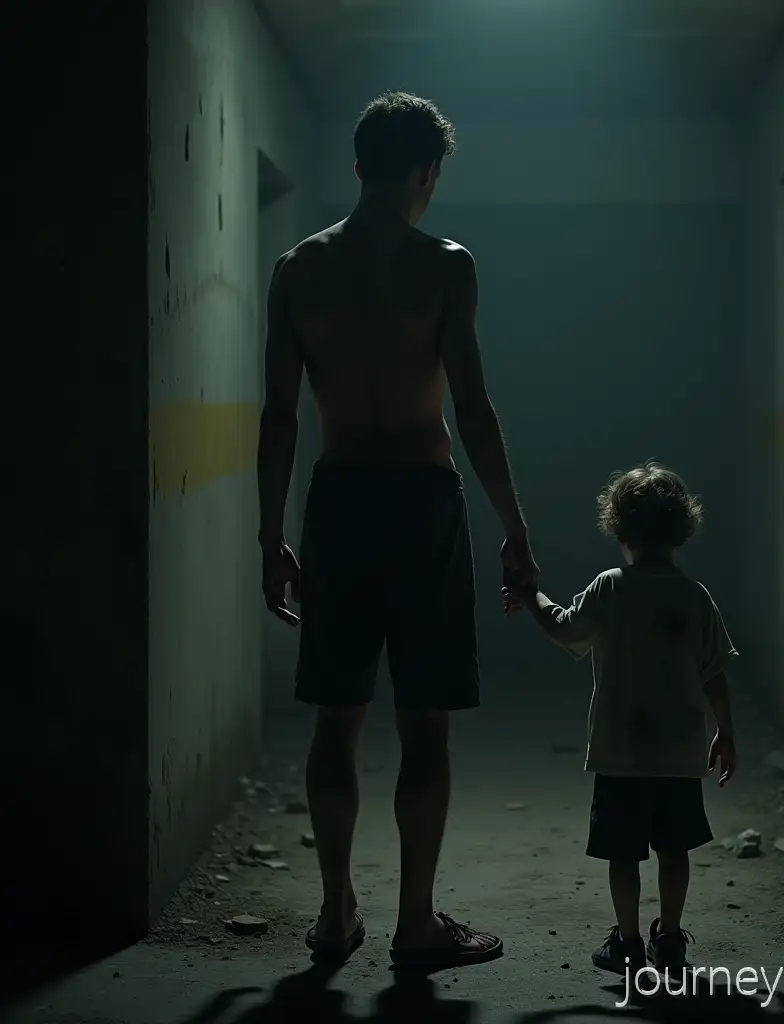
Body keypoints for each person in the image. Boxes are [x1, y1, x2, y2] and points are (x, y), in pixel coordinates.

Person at [256, 91, 538, 970]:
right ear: (425, 173)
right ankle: (416, 924)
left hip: (339, 501)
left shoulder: (298, 269)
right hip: (423, 501)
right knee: (425, 725)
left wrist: (271, 537)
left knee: (335, 720)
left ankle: (337, 914)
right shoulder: (446, 265)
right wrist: (514, 528)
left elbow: (278, 418)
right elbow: (475, 409)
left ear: (356, 167)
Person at [503, 461, 737, 979]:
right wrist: (725, 731)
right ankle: (671, 940)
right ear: (682, 529)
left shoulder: (611, 587)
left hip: (620, 753)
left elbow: (565, 629)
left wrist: (529, 595)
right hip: (679, 754)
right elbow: (714, 672)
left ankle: (628, 943)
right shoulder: (694, 596)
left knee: (624, 855)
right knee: (675, 850)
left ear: (618, 528)